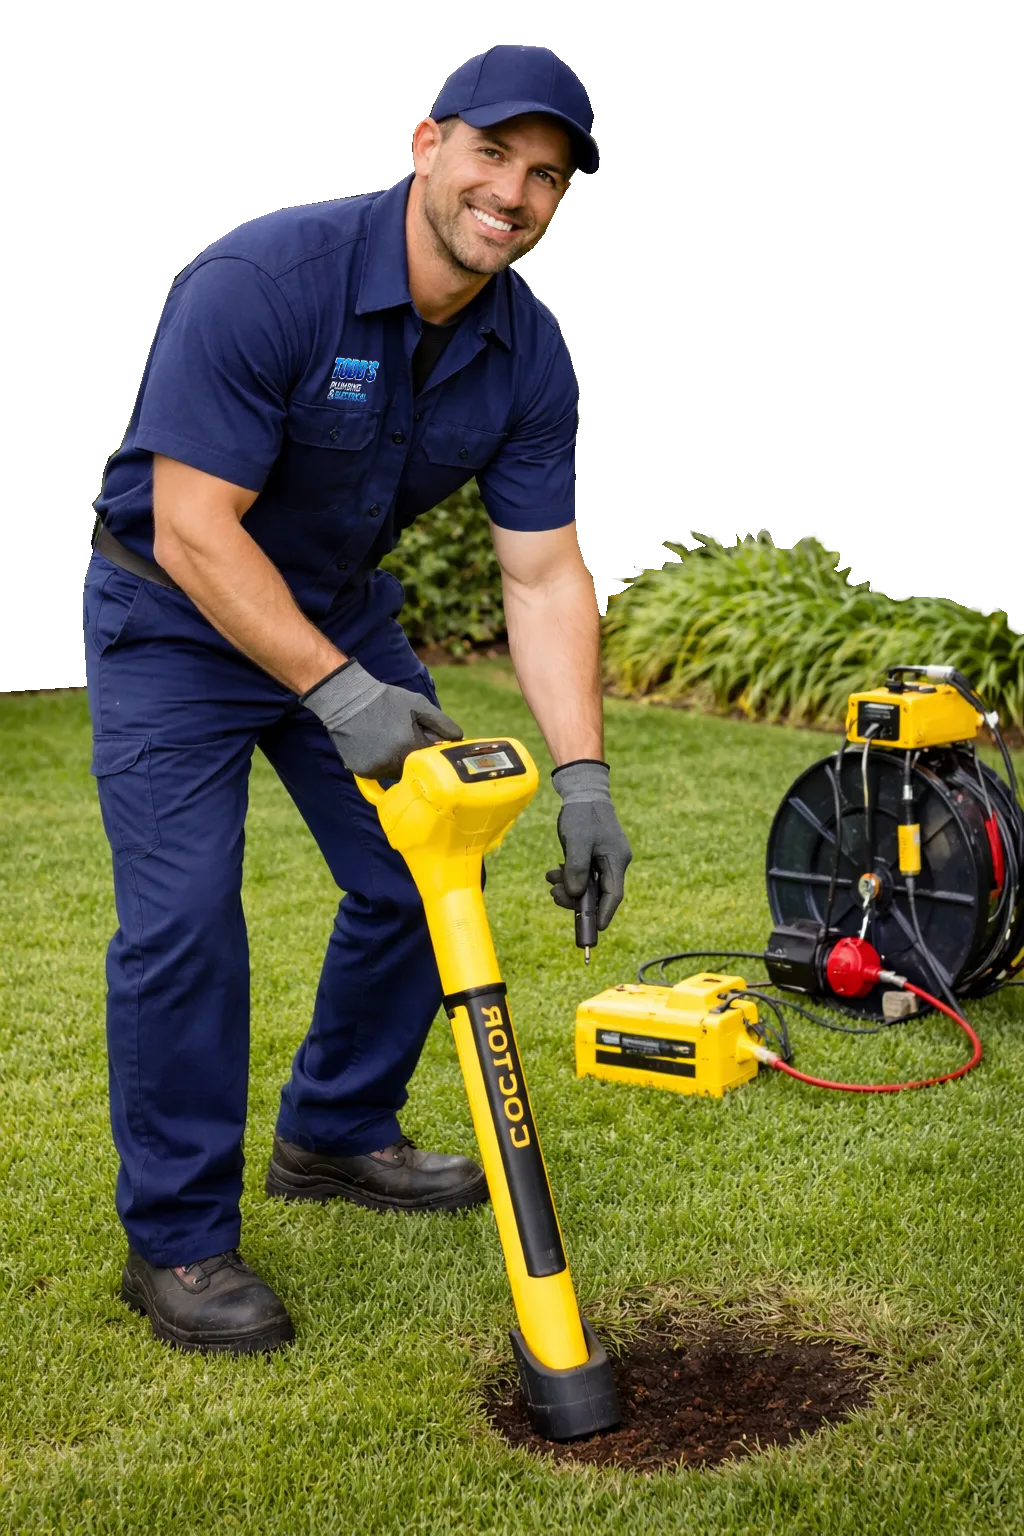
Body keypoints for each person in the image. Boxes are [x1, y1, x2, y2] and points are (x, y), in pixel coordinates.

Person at [83, 43, 632, 1355]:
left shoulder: (526, 354)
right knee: (185, 923)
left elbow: (542, 573)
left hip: (333, 610)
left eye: (545, 176)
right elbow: (194, 524)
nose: (512, 193)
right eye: (493, 153)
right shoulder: (266, 282)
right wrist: (338, 694)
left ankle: (333, 1130)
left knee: (419, 872)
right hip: (172, 616)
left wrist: (584, 779)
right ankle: (178, 1242)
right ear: (426, 143)